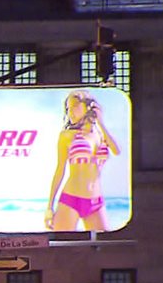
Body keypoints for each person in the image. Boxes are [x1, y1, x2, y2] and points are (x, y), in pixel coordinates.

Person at [45, 89, 121, 232]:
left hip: (96, 201)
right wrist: (49, 207)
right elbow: (60, 170)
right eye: (68, 109)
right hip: (71, 198)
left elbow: (117, 151)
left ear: (88, 107)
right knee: (62, 248)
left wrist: (101, 123)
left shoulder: (101, 135)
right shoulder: (67, 136)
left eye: (75, 106)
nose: (70, 112)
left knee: (104, 247)